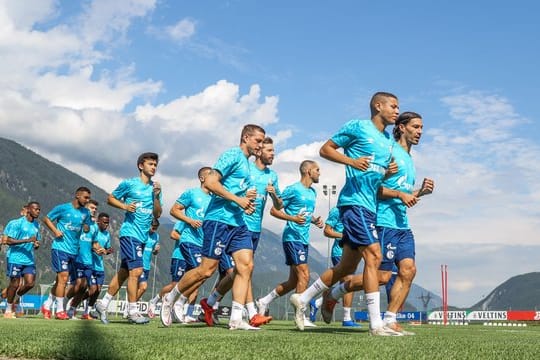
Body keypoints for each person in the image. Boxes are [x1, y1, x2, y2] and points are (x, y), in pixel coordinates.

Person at [289, 91, 402, 335]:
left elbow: (374, 177)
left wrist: (388, 174)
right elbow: (325, 149)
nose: (396, 111)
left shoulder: (387, 141)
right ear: (377, 106)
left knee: (344, 268)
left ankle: (303, 298)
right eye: (393, 106)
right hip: (354, 204)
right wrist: (351, 162)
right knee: (374, 256)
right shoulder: (358, 127)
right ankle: (376, 324)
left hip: (370, 206)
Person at [319, 112, 434, 335]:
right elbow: (376, 189)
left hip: (402, 224)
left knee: (409, 271)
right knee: (380, 277)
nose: (420, 132)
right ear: (401, 127)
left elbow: (404, 193)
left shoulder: (409, 159)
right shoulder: (389, 151)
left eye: (422, 127)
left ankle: (390, 319)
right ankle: (334, 294)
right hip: (383, 221)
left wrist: (421, 192)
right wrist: (401, 195)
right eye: (416, 127)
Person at [160, 124, 265, 331]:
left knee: (246, 266)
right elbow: (210, 181)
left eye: (262, 142)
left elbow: (234, 194)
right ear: (245, 138)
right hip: (218, 220)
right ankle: (170, 298)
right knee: (206, 270)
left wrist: (245, 202)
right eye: (258, 141)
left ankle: (236, 319)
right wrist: (237, 199)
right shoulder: (233, 155)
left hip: (238, 222)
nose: (260, 146)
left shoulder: (246, 164)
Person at [202, 137, 283, 327]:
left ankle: (211, 303)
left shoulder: (273, 176)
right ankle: (251, 313)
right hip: (236, 223)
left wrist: (274, 195)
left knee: (242, 271)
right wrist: (242, 198)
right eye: (269, 150)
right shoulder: (246, 168)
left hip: (255, 229)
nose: (273, 154)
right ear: (260, 150)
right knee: (237, 270)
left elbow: (279, 206)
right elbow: (225, 187)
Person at [95, 152, 162, 325]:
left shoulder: (155, 188)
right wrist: (125, 206)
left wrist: (156, 196)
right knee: (136, 272)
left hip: (142, 237)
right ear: (141, 166)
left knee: (124, 273)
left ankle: (103, 303)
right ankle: (132, 312)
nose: (153, 167)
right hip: (129, 234)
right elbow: (110, 198)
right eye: (150, 164)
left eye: (155, 165)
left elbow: (158, 213)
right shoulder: (130, 184)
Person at [257, 160, 323, 328]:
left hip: (304, 239)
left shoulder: (313, 192)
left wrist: (314, 220)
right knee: (305, 275)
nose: (319, 173)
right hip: (292, 238)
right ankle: (301, 315)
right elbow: (275, 210)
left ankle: (264, 301)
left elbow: (306, 213)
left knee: (294, 282)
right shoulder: (294, 189)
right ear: (308, 171)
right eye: (317, 170)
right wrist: (293, 219)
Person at [165, 167, 213, 323]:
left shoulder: (214, 199)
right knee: (200, 271)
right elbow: (174, 210)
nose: (214, 178)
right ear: (202, 178)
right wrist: (190, 221)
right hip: (189, 240)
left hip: (204, 244)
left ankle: (179, 301)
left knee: (203, 276)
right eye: (211, 175)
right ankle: (175, 301)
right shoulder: (192, 193)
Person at [41, 187, 93, 320]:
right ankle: (59, 310)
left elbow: (86, 228)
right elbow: (46, 219)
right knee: (63, 278)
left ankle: (46, 305)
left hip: (74, 251)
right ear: (77, 195)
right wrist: (55, 231)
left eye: (89, 198)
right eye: (85, 197)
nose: (87, 200)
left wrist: (86, 228)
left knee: (60, 280)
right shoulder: (63, 208)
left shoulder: (85, 213)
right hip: (60, 248)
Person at [309, 206, 361, 327]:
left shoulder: (359, 210)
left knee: (345, 285)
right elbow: (327, 231)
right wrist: (344, 236)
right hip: (339, 253)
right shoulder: (337, 210)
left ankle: (317, 303)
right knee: (348, 282)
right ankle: (347, 318)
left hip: (353, 252)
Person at [3, 202, 41, 318]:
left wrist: (36, 244)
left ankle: (16, 298)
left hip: (29, 259)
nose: (38, 211)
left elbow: (36, 241)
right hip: (15, 258)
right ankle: (8, 310)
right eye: (36, 209)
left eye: (39, 210)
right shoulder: (17, 223)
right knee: (14, 284)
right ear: (28, 210)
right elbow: (8, 241)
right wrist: (27, 240)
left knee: (30, 284)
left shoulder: (36, 225)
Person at [66, 199, 99, 319]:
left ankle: (71, 310)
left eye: (95, 208)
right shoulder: (78, 221)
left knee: (88, 288)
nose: (94, 210)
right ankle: (64, 304)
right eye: (92, 207)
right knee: (79, 285)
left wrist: (99, 249)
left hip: (89, 261)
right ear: (85, 208)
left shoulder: (94, 226)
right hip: (77, 258)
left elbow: (94, 243)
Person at [147, 220, 185, 319]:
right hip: (180, 257)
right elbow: (173, 234)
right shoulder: (183, 221)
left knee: (188, 285)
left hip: (191, 258)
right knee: (175, 284)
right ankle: (154, 301)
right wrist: (188, 240)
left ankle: (176, 310)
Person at [123, 218, 160, 318]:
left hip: (147, 266)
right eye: (153, 227)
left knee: (139, 289)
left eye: (156, 228)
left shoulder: (156, 236)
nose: (154, 229)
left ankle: (131, 308)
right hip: (139, 265)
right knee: (143, 287)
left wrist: (156, 251)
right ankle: (130, 308)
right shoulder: (143, 233)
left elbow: (154, 251)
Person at [87, 212, 113, 319]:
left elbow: (110, 249)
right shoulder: (93, 231)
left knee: (97, 290)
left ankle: (89, 311)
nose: (106, 225)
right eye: (105, 222)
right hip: (90, 264)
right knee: (92, 289)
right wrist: (95, 249)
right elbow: (86, 243)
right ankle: (75, 302)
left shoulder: (107, 234)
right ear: (99, 221)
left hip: (100, 266)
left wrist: (105, 251)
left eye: (108, 223)